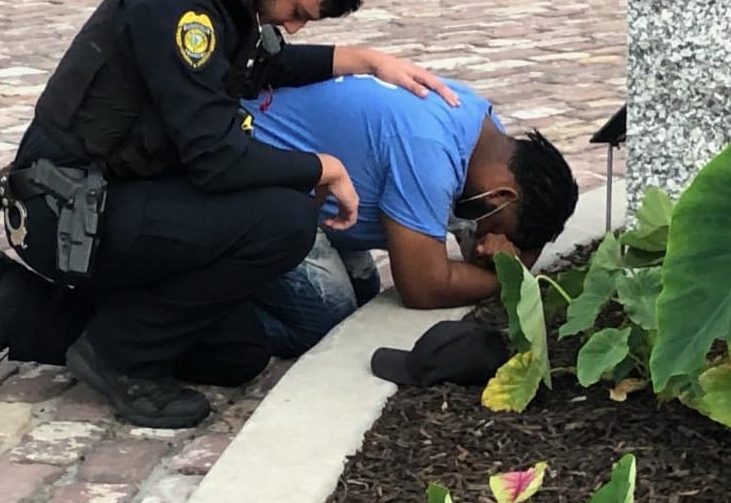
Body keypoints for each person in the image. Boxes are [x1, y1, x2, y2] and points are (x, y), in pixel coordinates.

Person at [0, 0, 457, 429]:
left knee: (237, 353)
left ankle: (20, 308)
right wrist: (322, 167)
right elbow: (215, 158)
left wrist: (364, 59)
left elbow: (257, 65)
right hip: (68, 212)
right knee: (283, 221)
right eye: (300, 11)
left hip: (106, 199)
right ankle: (119, 357)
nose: (293, 26)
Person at [246, 74, 579, 357]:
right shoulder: (430, 152)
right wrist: (506, 279)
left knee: (363, 290)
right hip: (255, 187)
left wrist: (510, 254)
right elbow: (424, 287)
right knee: (325, 319)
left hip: (306, 190)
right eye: (494, 228)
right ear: (501, 196)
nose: (484, 238)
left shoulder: (484, 135)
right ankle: (208, 318)